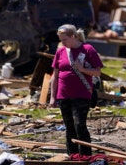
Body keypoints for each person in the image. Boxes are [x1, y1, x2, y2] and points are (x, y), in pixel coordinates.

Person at [49, 24, 103, 156]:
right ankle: (72, 156)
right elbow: (55, 76)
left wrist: (82, 69)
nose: (62, 43)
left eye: (64, 39)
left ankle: (85, 156)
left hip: (81, 94)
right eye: (61, 40)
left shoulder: (88, 49)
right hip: (63, 95)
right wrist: (52, 96)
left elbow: (97, 72)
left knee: (80, 125)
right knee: (69, 127)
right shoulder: (61, 51)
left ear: (73, 36)